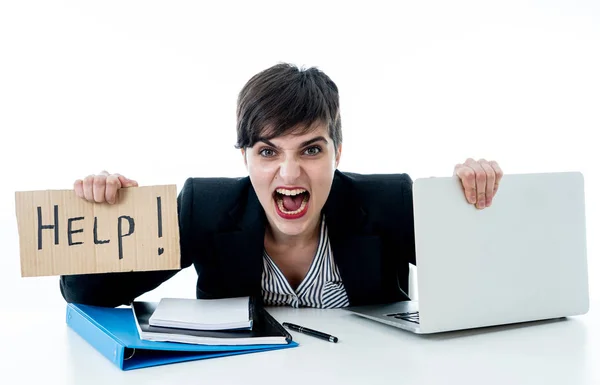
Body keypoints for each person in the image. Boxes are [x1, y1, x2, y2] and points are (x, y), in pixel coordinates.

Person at [60, 63, 503, 309]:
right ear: (245, 158)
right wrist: (106, 214)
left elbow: (494, 284)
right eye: (268, 152)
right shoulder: (205, 208)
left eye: (311, 151)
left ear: (338, 153)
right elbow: (86, 294)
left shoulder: (388, 202)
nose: (289, 175)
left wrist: (473, 203)